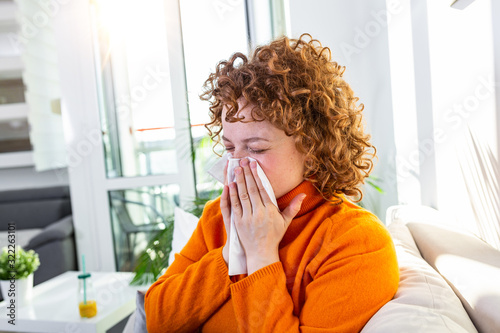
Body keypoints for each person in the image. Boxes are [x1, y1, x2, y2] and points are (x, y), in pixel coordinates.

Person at [145, 33, 399, 332]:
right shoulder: (218, 217)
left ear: (313, 148)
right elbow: (157, 320)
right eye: (229, 148)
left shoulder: (355, 242)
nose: (236, 166)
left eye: (256, 148)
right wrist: (231, 253)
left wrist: (261, 256)